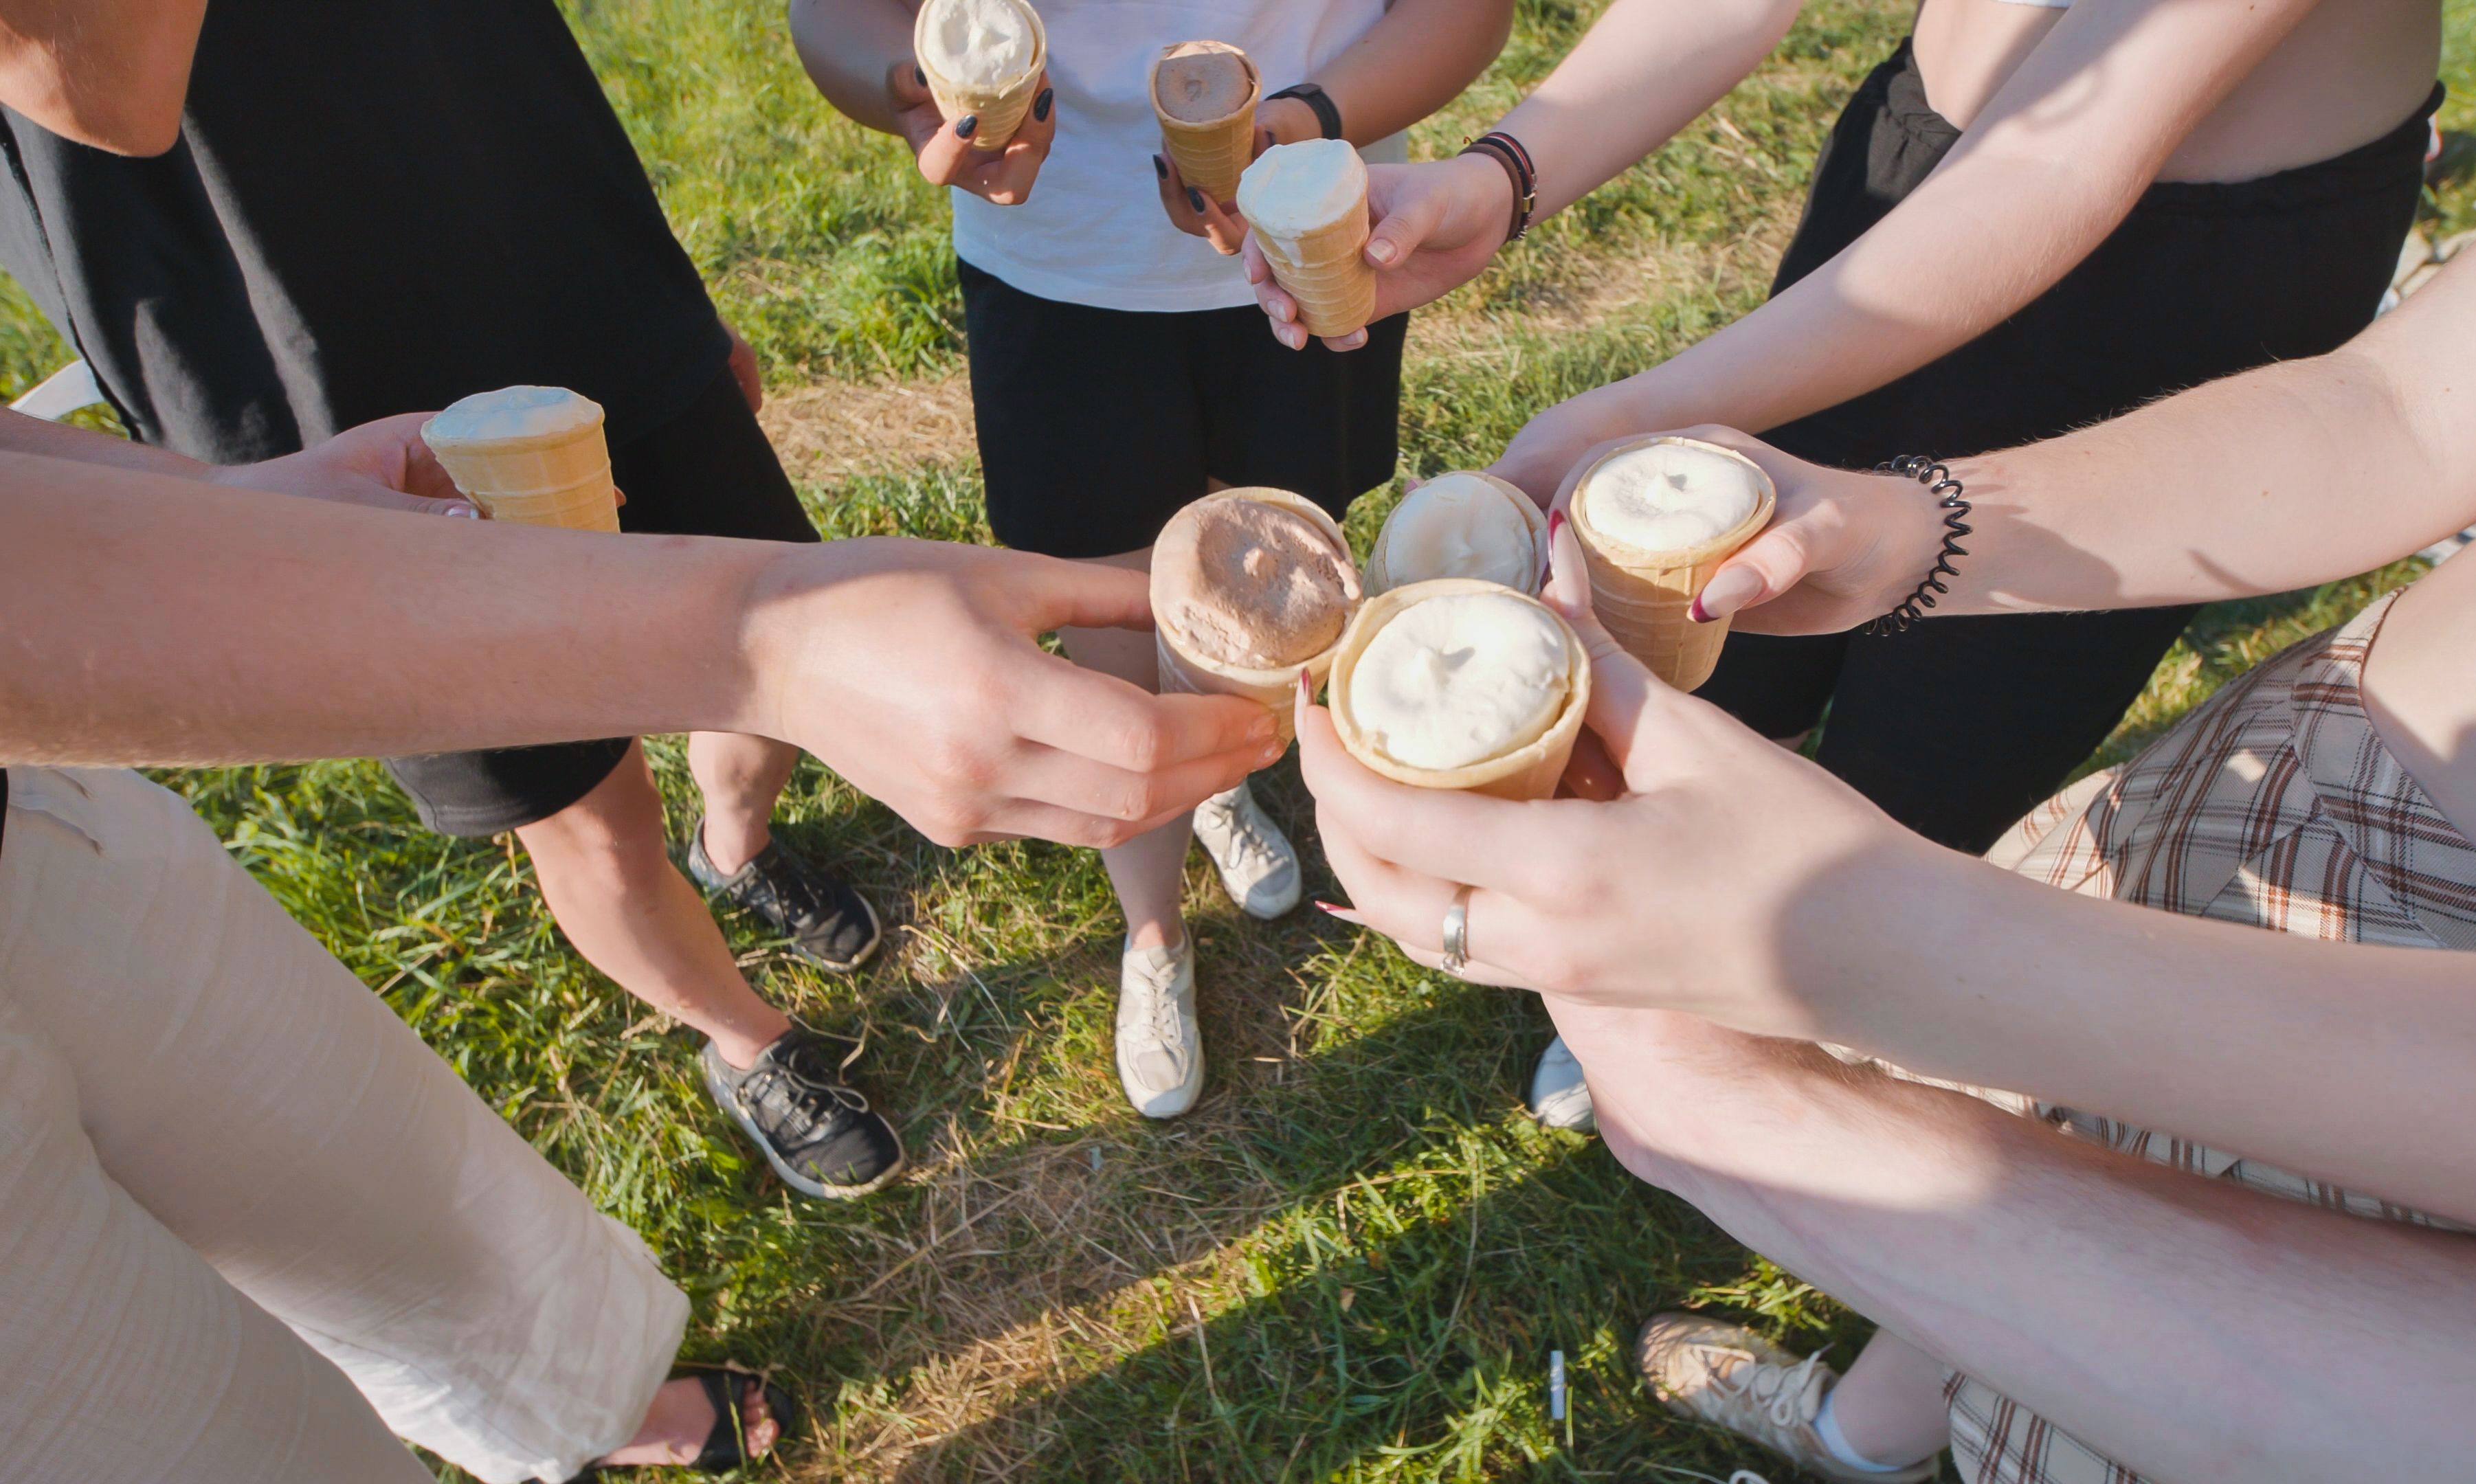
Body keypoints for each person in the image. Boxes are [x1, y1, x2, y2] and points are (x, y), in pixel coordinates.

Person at [1297, 87, 2476, 1483]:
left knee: (2060, 1329)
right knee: (2029, 1164)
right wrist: (1909, 526)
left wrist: (1818, 1047)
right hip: (2281, 783)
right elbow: (2403, 408)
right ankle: (1858, 1436)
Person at [2, 405, 1279, 1481]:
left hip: (43, 828)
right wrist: (761, 638)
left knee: (405, 1185)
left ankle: (588, 1399)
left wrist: (223, 506)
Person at [1240, 0, 2442, 1123]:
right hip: (1918, 164)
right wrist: (1502, 174)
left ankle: (1794, 1009)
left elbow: (2059, 164)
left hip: (2190, 269)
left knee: (1954, 722)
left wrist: (1633, 415)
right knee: (1711, 645)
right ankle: (1673, 967)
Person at [0, 0, 918, 1198]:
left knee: (767, 641)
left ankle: (733, 844)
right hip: (286, 348)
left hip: (555, 237)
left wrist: (669, 292)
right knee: (576, 798)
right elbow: (100, 93)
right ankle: (747, 1040)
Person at [788, 0, 1510, 1117]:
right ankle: (1155, 928)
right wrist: (910, 90)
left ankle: (1220, 777)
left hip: (1314, 223)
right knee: (1114, 627)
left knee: (1273, 594)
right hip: (1057, 272)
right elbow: (838, 13)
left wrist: (1301, 123)